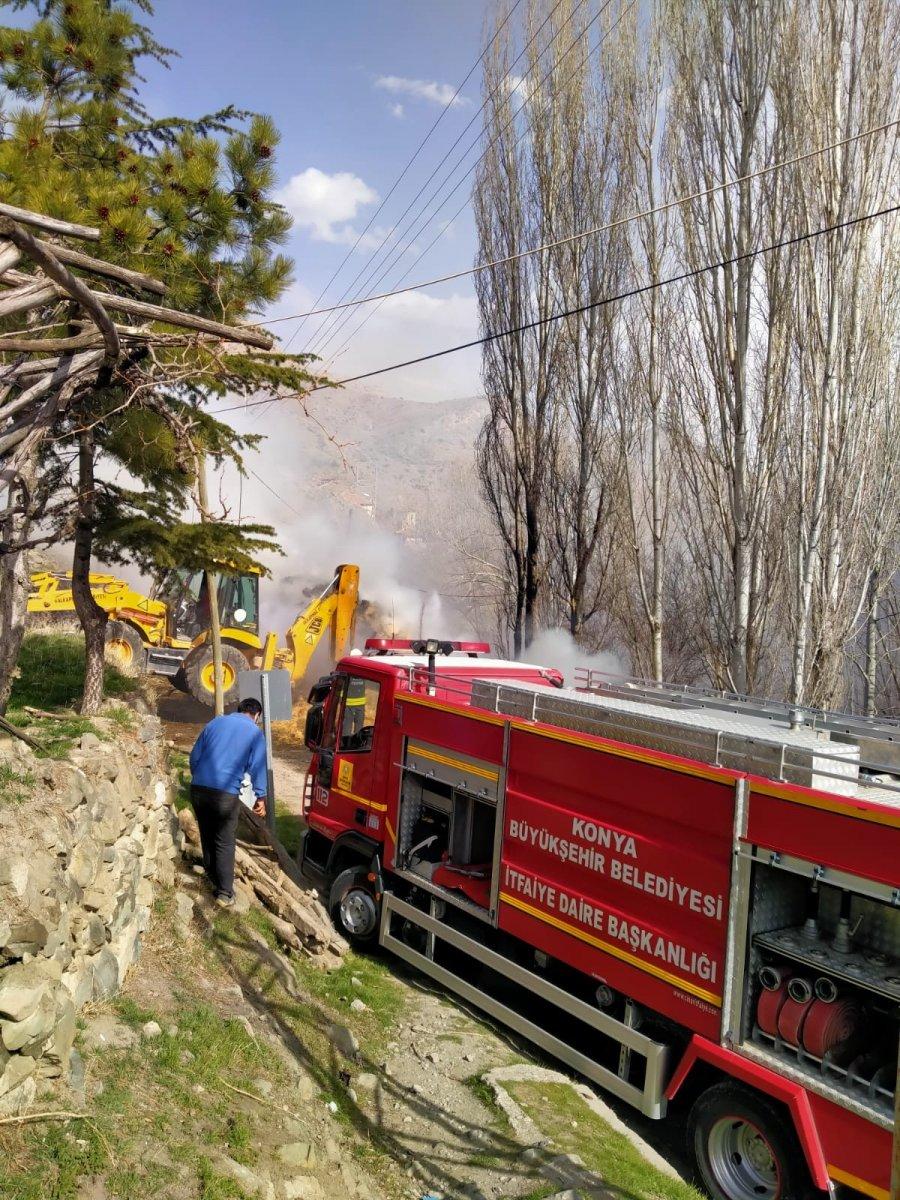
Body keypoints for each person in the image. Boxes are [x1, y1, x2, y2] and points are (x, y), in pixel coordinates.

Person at [189, 697, 267, 906]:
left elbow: (195, 756)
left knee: (206, 833)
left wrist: (199, 779)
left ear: (239, 710)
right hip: (224, 795)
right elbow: (258, 767)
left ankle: (210, 876)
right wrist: (261, 796)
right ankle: (224, 893)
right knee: (224, 840)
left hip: (198, 789)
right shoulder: (254, 733)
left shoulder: (215, 722)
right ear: (257, 715)